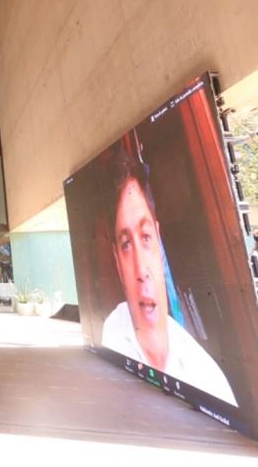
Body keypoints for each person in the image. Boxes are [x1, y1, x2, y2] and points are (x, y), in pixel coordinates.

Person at [100, 147, 238, 406]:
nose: (141, 271)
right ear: (117, 261)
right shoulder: (112, 330)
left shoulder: (210, 382)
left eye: (146, 237)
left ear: (159, 240)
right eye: (126, 244)